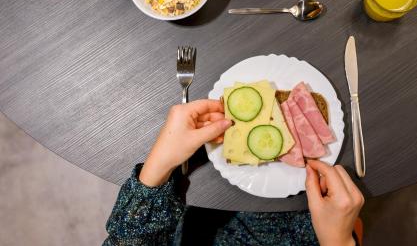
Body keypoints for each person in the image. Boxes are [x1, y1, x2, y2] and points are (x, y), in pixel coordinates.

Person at [103, 99, 364, 246]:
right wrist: (338, 242)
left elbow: (128, 241)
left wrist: (157, 167)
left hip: (189, 214)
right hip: (309, 223)